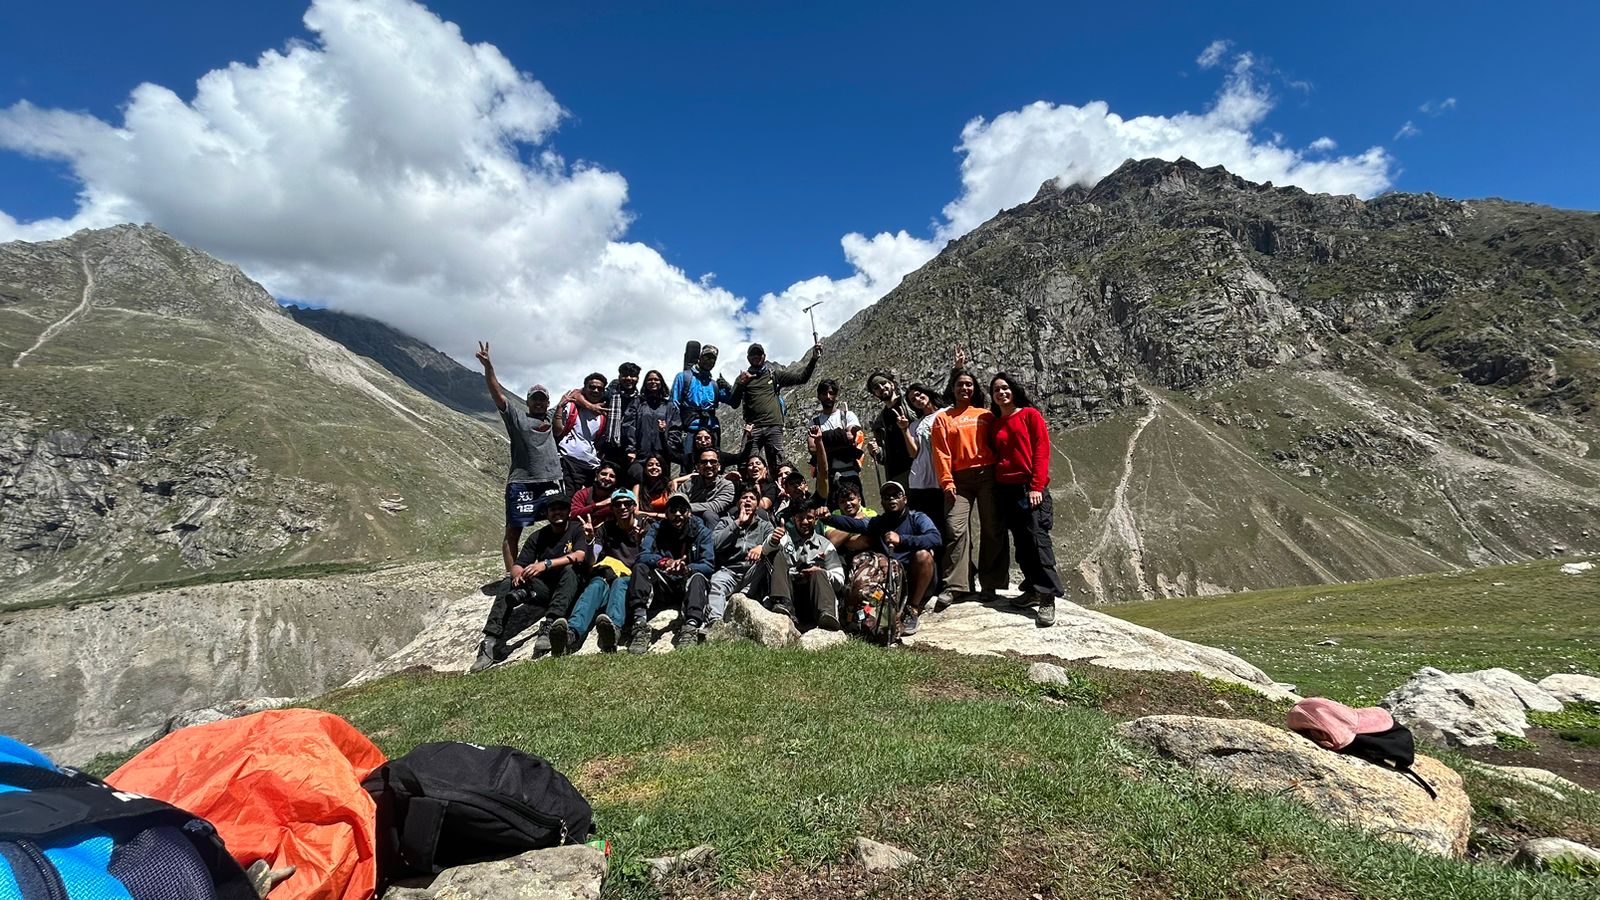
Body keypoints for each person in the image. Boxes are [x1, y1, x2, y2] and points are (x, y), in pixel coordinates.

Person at [475, 341, 562, 580]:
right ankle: (511, 574)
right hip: (522, 483)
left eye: (542, 399)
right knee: (513, 530)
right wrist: (488, 367)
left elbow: (573, 395)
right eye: (534, 398)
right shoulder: (516, 418)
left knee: (560, 525)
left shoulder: (553, 416)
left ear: (547, 401)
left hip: (552, 482)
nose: (539, 402)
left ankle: (553, 568)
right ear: (528, 401)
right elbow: (498, 394)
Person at [471, 495, 587, 671]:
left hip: (569, 587)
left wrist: (546, 564)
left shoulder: (577, 529)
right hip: (544, 591)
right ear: (547, 514)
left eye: (562, 508)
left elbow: (580, 555)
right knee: (507, 582)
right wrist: (517, 574)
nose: (558, 513)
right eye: (553, 509)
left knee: (570, 569)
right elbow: (519, 564)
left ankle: (550, 625)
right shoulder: (538, 536)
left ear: (568, 511)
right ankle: (490, 641)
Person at [931, 363, 1008, 606]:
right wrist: (947, 481)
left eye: (969, 384)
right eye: (960, 384)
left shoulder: (985, 415)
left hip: (988, 475)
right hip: (958, 480)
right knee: (955, 529)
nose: (964, 388)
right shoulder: (943, 418)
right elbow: (941, 453)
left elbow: (1000, 443)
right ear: (953, 389)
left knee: (992, 527)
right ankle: (956, 585)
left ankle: (990, 584)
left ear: (974, 389)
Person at [823, 481, 942, 637]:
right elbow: (852, 524)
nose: (891, 499)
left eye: (896, 495)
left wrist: (902, 540)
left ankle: (913, 609)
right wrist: (828, 518)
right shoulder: (878, 522)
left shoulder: (918, 518)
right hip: (892, 581)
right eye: (887, 497)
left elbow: (935, 538)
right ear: (882, 502)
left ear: (904, 499)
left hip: (915, 579)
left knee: (923, 555)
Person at [991, 374, 1063, 627]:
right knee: (1021, 544)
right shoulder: (996, 423)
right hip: (1006, 490)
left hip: (1029, 488)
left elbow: (1042, 451)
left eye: (1005, 388)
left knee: (1037, 539)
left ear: (1014, 390)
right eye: (997, 390)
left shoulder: (1030, 415)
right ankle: (1032, 589)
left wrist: (1036, 487)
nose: (1001, 393)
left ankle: (1047, 597)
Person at [567, 489, 649, 653]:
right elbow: (593, 560)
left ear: (634, 506)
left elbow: (649, 559)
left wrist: (641, 542)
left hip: (632, 581)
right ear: (612, 508)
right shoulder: (606, 529)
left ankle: (613, 629)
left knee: (620, 583)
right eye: (617, 504)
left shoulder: (645, 526)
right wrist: (589, 541)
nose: (622, 507)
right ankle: (571, 632)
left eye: (627, 503)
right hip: (608, 576)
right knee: (596, 585)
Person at [630, 493, 716, 649]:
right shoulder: (657, 528)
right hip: (664, 581)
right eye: (673, 510)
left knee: (699, 577)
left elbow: (708, 565)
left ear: (689, 512)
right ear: (667, 512)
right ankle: (639, 625)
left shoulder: (701, 531)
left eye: (682, 510)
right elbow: (642, 556)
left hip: (686, 582)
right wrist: (664, 562)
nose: (678, 514)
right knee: (640, 568)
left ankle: (691, 627)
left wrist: (687, 569)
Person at [730, 340, 821, 471]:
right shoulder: (742, 378)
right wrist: (740, 384)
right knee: (746, 465)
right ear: (748, 358)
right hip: (752, 428)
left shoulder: (774, 375)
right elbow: (733, 403)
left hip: (773, 426)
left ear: (764, 356)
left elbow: (802, 378)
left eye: (759, 354)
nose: (756, 357)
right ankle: (750, 491)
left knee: (778, 466)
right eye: (753, 354)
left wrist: (813, 359)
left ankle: (779, 490)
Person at [708, 486, 779, 623]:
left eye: (752, 498)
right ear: (738, 503)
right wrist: (737, 523)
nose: (747, 501)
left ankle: (747, 597)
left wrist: (761, 548)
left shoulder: (764, 525)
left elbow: (775, 540)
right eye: (744, 498)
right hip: (730, 571)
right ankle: (714, 622)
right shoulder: (726, 522)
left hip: (753, 571)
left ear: (757, 505)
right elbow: (715, 544)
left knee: (766, 563)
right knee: (716, 582)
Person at [770, 503, 845, 629]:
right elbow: (767, 550)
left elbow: (840, 580)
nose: (805, 522)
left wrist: (820, 572)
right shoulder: (784, 540)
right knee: (779, 557)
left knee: (819, 573)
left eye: (809, 518)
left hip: (816, 599)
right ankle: (782, 604)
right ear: (794, 519)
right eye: (800, 518)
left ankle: (827, 615)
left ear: (815, 520)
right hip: (792, 596)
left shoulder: (826, 545)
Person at [899, 382, 949, 561]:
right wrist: (905, 429)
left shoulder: (946, 413)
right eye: (913, 399)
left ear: (927, 393)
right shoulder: (915, 425)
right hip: (920, 482)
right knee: (927, 527)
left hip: (943, 480)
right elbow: (914, 452)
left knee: (948, 527)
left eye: (919, 395)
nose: (918, 400)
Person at [671, 345, 733, 472]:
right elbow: (674, 404)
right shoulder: (684, 377)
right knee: (688, 465)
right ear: (700, 357)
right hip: (691, 429)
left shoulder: (714, 384)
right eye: (707, 357)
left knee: (714, 465)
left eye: (713, 359)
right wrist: (675, 430)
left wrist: (727, 387)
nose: (709, 361)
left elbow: (732, 401)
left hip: (712, 429)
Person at [556, 372, 608, 496]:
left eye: (599, 389)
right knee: (567, 500)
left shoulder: (603, 414)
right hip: (568, 461)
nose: (595, 391)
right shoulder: (571, 407)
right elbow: (557, 431)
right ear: (584, 388)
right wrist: (559, 408)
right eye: (592, 387)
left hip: (591, 466)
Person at [810, 379, 863, 499]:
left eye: (831, 393)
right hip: (827, 478)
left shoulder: (848, 416)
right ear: (819, 396)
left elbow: (851, 438)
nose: (828, 397)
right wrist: (841, 436)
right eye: (824, 394)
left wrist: (822, 440)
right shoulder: (814, 422)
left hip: (850, 475)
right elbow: (812, 448)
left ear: (836, 395)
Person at [865, 372, 915, 486]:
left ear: (892, 384)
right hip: (897, 474)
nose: (881, 388)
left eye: (883, 383)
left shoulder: (910, 402)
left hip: (921, 465)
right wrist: (876, 451)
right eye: (876, 388)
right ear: (875, 395)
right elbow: (883, 458)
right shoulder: (879, 423)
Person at [630, 370, 678, 485]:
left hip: (662, 454)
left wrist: (669, 447)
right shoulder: (638, 403)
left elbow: (675, 428)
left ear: (661, 382)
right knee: (638, 481)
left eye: (656, 379)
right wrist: (630, 449)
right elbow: (630, 426)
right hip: (641, 453)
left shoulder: (669, 406)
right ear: (645, 383)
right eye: (650, 379)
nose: (653, 382)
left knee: (662, 485)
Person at [676, 447, 736, 529]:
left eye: (713, 462)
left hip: (715, 523)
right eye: (704, 462)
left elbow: (715, 506)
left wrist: (686, 507)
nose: (708, 465)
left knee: (708, 515)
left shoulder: (726, 485)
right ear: (698, 467)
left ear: (719, 466)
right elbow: (677, 501)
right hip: (688, 519)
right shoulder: (688, 484)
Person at [602, 362, 642, 475]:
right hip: (609, 447)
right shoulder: (608, 395)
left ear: (637, 378)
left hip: (631, 449)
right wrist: (591, 406)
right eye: (625, 375)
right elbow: (577, 393)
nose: (629, 378)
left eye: (632, 376)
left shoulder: (641, 400)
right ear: (619, 377)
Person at [570, 460, 622, 526]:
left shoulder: (619, 496)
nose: (607, 478)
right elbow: (573, 515)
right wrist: (599, 505)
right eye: (604, 474)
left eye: (612, 476)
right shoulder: (582, 494)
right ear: (596, 476)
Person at [635, 453, 674, 521]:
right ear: (645, 469)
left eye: (658, 465)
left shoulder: (669, 485)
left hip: (665, 523)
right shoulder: (638, 487)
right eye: (650, 465)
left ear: (662, 468)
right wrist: (658, 515)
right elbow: (636, 512)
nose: (654, 467)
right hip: (644, 522)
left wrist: (677, 480)